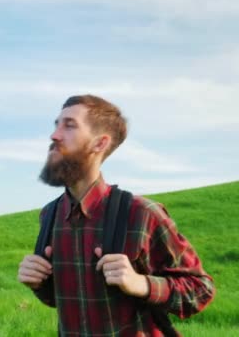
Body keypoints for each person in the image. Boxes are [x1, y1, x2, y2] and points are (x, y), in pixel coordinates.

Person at [17, 94, 215, 336]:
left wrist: (141, 284)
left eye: (69, 125)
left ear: (99, 144)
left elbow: (201, 290)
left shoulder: (142, 213)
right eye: (56, 124)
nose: (54, 135)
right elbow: (68, 302)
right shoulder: (50, 216)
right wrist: (38, 283)